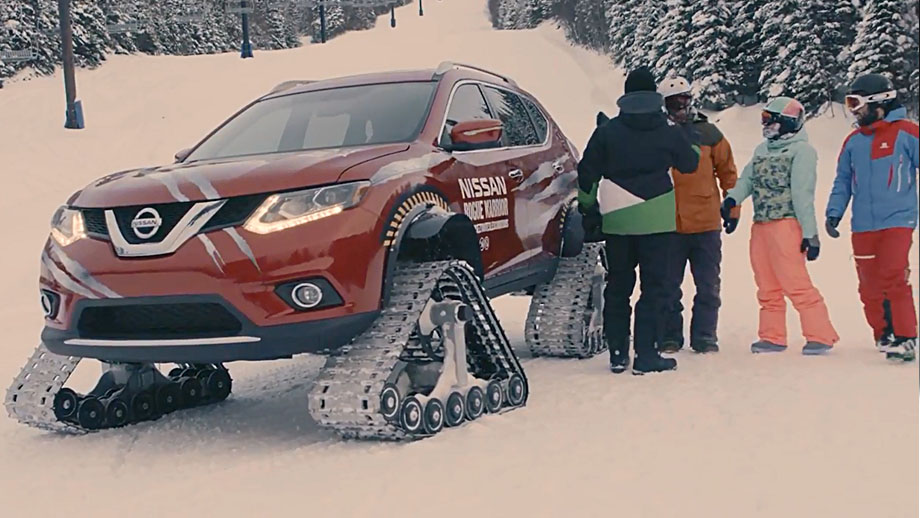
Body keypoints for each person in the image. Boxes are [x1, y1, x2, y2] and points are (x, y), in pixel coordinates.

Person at [577, 67, 699, 374]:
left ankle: (618, 354)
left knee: (618, 285)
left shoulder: (607, 131)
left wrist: (589, 209)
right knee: (653, 288)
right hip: (657, 217)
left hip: (617, 216)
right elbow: (690, 163)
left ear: (626, 95)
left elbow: (586, 173)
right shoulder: (668, 129)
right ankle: (646, 355)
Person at [720, 96, 839, 355]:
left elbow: (802, 194)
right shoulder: (762, 150)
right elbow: (747, 179)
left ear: (786, 122)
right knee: (766, 283)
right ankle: (772, 336)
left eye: (769, 121)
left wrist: (810, 234)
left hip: (786, 224)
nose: (765, 126)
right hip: (761, 225)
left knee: (795, 281)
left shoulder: (802, 152)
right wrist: (732, 199)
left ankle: (820, 335)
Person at [825, 73, 919, 362]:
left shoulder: (906, 132)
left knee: (893, 276)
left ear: (878, 102)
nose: (853, 110)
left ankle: (906, 337)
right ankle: (884, 334)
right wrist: (834, 212)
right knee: (868, 285)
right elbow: (842, 181)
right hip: (863, 224)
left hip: (897, 220)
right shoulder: (854, 141)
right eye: (849, 103)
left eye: (856, 103)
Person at [657, 76, 739, 354]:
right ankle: (669, 336)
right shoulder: (657, 133)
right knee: (668, 287)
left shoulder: (710, 133)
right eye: (673, 102)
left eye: (684, 100)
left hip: (705, 223)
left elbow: (728, 173)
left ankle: (705, 336)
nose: (680, 106)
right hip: (668, 224)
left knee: (708, 285)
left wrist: (733, 206)